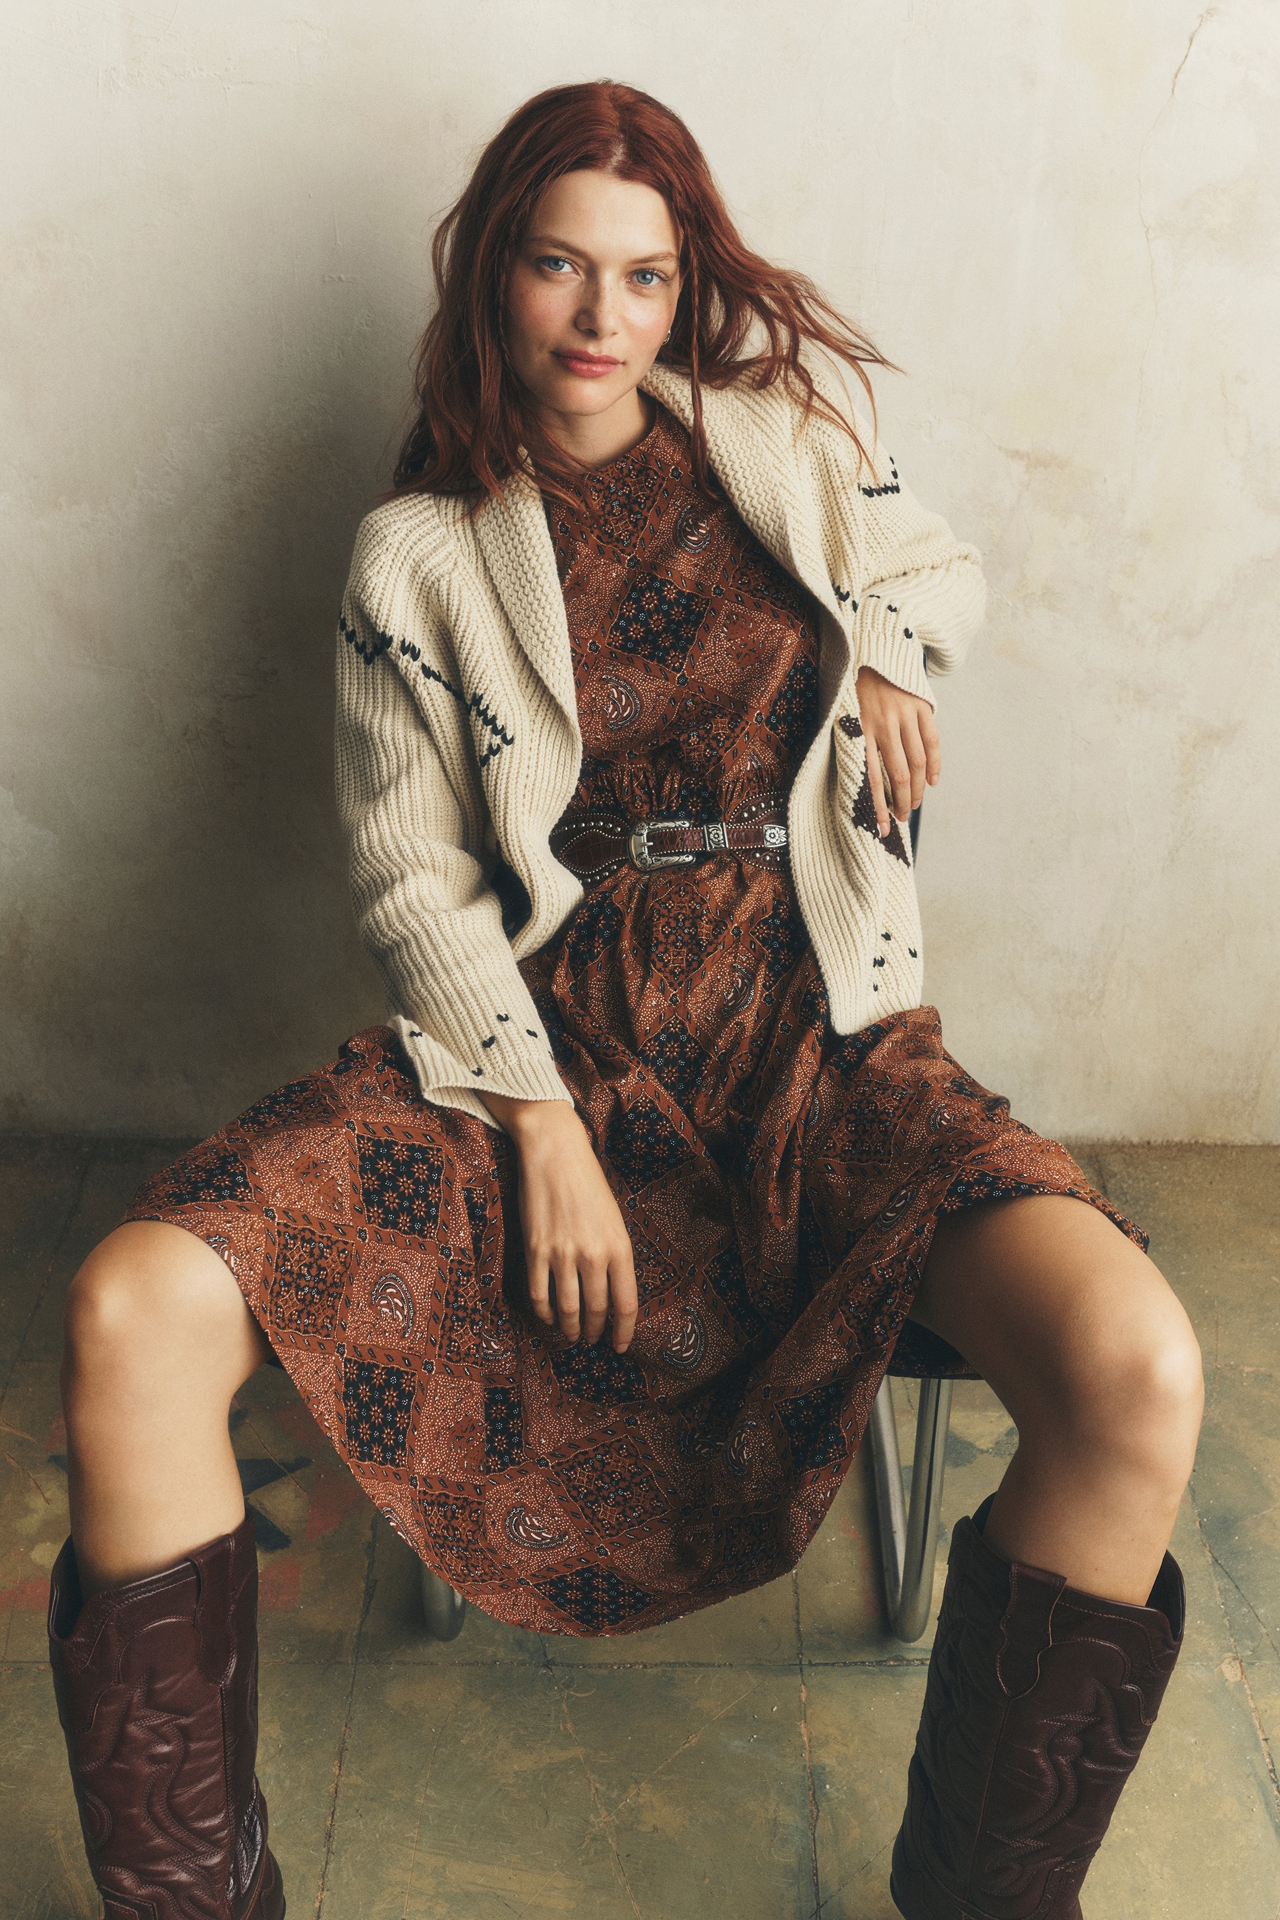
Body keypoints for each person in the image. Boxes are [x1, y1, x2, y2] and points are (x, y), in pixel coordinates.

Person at [48, 80, 1203, 1920]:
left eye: (647, 277)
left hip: (819, 1042)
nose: (603, 317)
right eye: (559, 265)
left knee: (1139, 1363)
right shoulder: (418, 552)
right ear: (490, 271)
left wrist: (889, 657)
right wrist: (538, 1124)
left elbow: (934, 567)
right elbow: (412, 879)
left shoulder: (787, 445)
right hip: (536, 1046)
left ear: (688, 286)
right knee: (130, 1309)